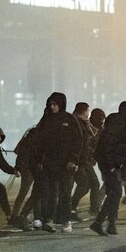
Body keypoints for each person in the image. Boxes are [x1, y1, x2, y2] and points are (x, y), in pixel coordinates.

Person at [33, 92, 82, 233]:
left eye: (55, 104)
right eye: (50, 104)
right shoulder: (46, 120)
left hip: (66, 164)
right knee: (50, 193)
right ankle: (49, 220)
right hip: (48, 163)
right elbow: (39, 142)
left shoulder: (70, 119)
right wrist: (39, 160)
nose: (52, 106)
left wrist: (73, 159)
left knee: (65, 192)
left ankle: (65, 220)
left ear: (61, 104)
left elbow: (78, 140)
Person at [89, 101, 126, 236]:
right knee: (115, 192)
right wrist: (110, 167)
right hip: (109, 164)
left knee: (114, 193)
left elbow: (122, 143)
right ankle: (102, 223)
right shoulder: (119, 124)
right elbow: (109, 145)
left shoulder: (119, 123)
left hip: (112, 163)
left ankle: (107, 224)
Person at [70, 102, 101, 221]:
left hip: (84, 159)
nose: (89, 113)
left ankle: (90, 209)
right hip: (78, 159)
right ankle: (71, 208)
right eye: (88, 111)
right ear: (84, 112)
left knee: (90, 184)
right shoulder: (78, 123)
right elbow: (81, 142)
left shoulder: (85, 123)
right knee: (85, 184)